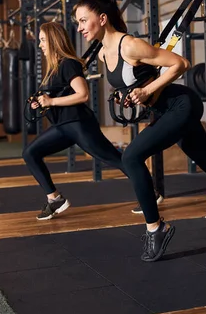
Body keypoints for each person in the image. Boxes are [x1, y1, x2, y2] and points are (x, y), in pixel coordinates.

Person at [73, 0, 206, 263]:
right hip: (164, 111)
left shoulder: (129, 45)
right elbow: (134, 82)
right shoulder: (103, 54)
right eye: (78, 22)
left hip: (181, 104)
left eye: (84, 20)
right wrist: (128, 95)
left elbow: (180, 64)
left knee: (131, 156)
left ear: (102, 18)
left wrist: (146, 91)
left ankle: (156, 228)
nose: (80, 27)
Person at [23, 21, 140, 220]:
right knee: (30, 153)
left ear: (53, 41)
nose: (40, 44)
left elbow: (82, 94)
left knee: (113, 158)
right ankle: (55, 199)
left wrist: (51, 100)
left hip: (78, 124)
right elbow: (56, 95)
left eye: (43, 40)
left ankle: (150, 192)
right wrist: (42, 102)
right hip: (62, 126)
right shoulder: (54, 67)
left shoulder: (68, 64)